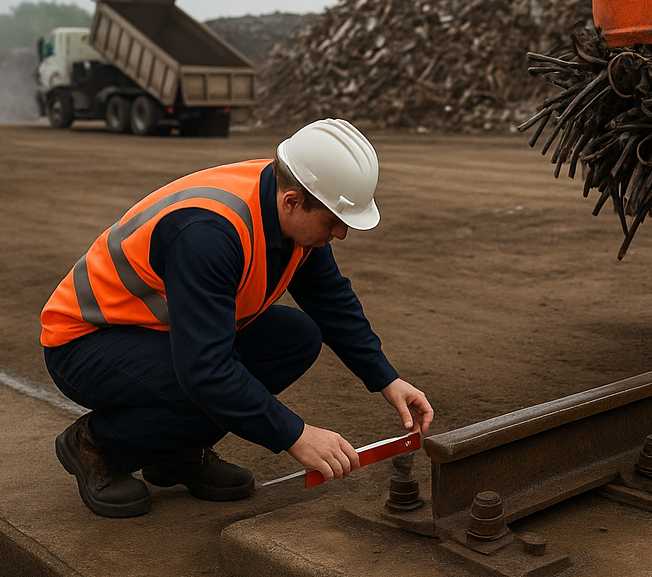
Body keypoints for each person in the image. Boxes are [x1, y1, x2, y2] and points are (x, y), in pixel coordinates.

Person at [40, 118, 433, 518]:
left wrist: (387, 379)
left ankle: (175, 452)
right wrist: (296, 435)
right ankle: (97, 443)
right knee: (203, 379)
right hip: (85, 344)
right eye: (334, 221)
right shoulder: (207, 234)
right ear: (292, 201)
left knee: (296, 338)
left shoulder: (289, 203)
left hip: (157, 334)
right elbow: (205, 370)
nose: (342, 234)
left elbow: (330, 299)